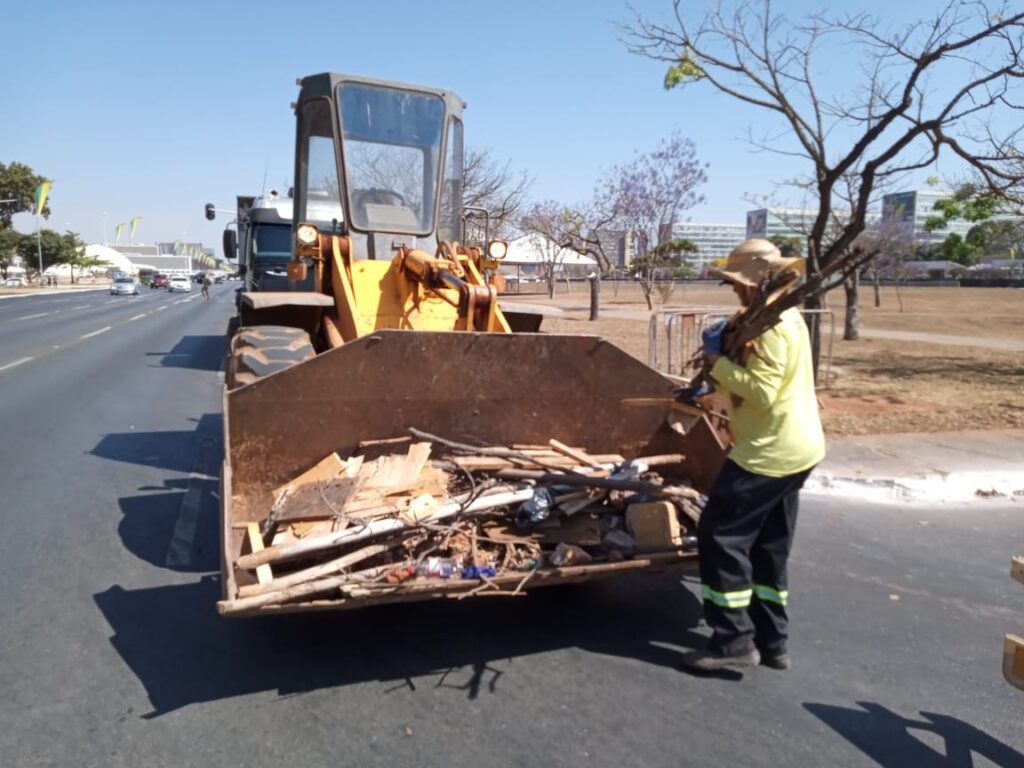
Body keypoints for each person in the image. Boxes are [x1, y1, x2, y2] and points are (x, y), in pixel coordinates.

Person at [678, 238, 825, 674]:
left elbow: (761, 391)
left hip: (768, 451)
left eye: (737, 285)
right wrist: (715, 386)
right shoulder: (787, 317)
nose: (734, 292)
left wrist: (715, 361)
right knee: (769, 545)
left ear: (754, 284)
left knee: (720, 537)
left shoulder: (773, 328)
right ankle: (773, 642)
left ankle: (734, 643)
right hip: (798, 447)